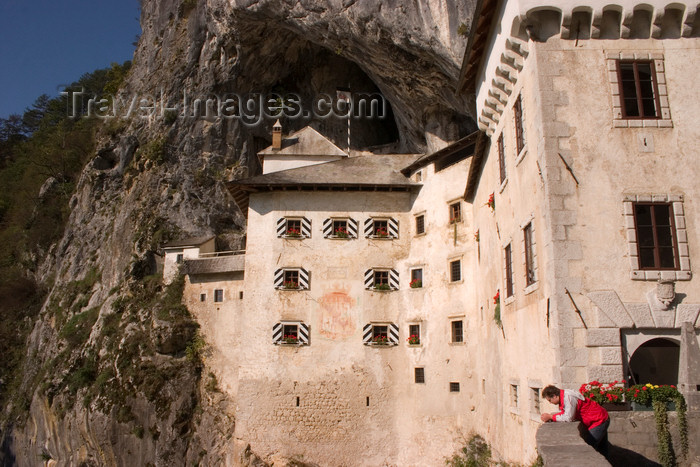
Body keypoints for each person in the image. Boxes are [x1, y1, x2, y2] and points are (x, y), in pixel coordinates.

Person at [540, 385, 610, 455]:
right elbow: (566, 412)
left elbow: (569, 417)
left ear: (554, 396)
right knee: (602, 450)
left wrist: (551, 417)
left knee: (589, 448)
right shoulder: (565, 395)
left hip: (598, 420)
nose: (550, 402)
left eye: (550, 400)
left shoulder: (568, 397)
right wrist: (552, 416)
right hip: (599, 418)